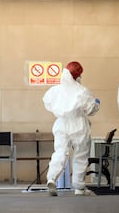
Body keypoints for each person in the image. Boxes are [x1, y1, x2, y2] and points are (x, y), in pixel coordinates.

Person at [43, 61, 100, 196]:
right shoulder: (82, 90)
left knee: (60, 152)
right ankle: (79, 188)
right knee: (80, 155)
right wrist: (97, 104)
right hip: (78, 124)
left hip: (61, 124)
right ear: (78, 75)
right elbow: (91, 109)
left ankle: (51, 178)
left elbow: (47, 103)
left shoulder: (55, 90)